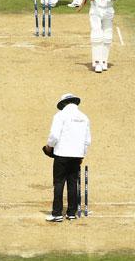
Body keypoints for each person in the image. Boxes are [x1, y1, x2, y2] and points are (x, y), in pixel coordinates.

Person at [44, 93, 91, 222]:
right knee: (72, 183)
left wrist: (48, 147)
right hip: (77, 155)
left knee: (59, 183)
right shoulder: (84, 117)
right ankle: (71, 213)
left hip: (62, 155)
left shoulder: (60, 115)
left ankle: (57, 214)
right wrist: (82, 155)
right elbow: (87, 140)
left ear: (64, 104)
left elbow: (54, 135)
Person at [80, 0, 118, 73]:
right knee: (97, 36)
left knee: (107, 36)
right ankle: (96, 62)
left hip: (108, 9)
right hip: (96, 10)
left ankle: (104, 61)